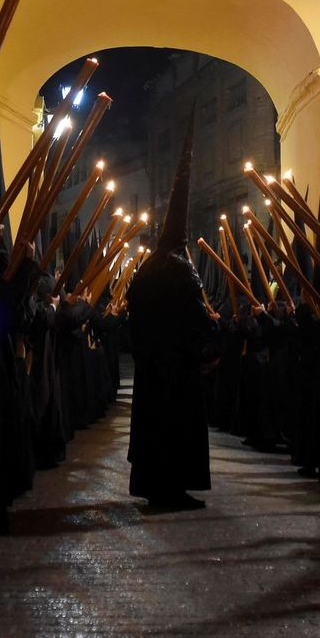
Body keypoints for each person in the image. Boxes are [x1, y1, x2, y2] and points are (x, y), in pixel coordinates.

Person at [127, 116, 212, 510]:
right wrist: (211, 338)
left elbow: (134, 312)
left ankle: (153, 484)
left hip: (150, 367)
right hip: (176, 367)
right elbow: (197, 314)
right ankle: (173, 488)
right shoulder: (181, 267)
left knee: (153, 425)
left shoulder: (146, 267)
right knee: (176, 426)